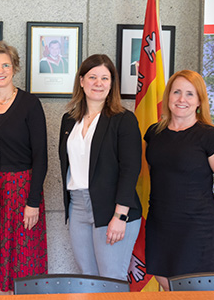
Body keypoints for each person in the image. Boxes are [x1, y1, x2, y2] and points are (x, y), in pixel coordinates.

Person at [144, 70, 214, 290]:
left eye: (189, 94)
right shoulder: (153, 134)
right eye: (176, 92)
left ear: (199, 101)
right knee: (164, 281)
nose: (181, 99)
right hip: (160, 222)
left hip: (197, 227)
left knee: (192, 289)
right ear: (168, 96)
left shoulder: (213, 137)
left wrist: (213, 216)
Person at [0, 41, 48, 294]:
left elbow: (41, 156)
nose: (0, 70)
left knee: (22, 262)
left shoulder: (30, 104)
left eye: (5, 65)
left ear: (14, 68)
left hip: (22, 191)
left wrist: (33, 201)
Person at [59, 54, 142, 281]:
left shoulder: (123, 119)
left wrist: (120, 215)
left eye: (105, 78)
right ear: (82, 81)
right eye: (93, 77)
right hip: (78, 206)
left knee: (111, 278)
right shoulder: (69, 120)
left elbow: (130, 168)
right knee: (88, 278)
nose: (98, 83)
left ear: (112, 84)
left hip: (113, 207)